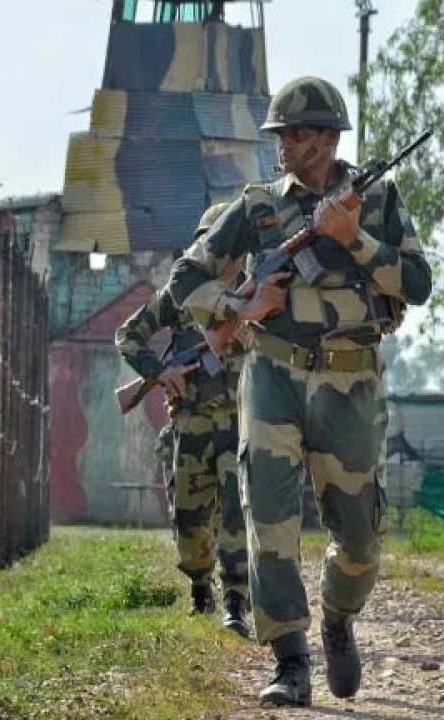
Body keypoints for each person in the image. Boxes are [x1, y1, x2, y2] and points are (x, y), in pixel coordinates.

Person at [164, 76, 432, 706]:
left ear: (330, 140)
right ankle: (290, 660)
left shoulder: (379, 201)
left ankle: (338, 618)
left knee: (360, 539)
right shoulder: (257, 206)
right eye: (279, 134)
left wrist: (352, 238)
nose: (282, 144)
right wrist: (243, 305)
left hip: (351, 381)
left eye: (297, 134)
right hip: (273, 375)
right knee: (269, 518)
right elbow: (185, 278)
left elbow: (418, 284)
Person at [114, 202, 252, 638]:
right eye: (211, 244)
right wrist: (159, 372)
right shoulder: (178, 294)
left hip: (240, 422)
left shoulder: (255, 291)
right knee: (190, 520)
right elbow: (128, 335)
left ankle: (236, 600)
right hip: (190, 425)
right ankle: (200, 589)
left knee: (237, 514)